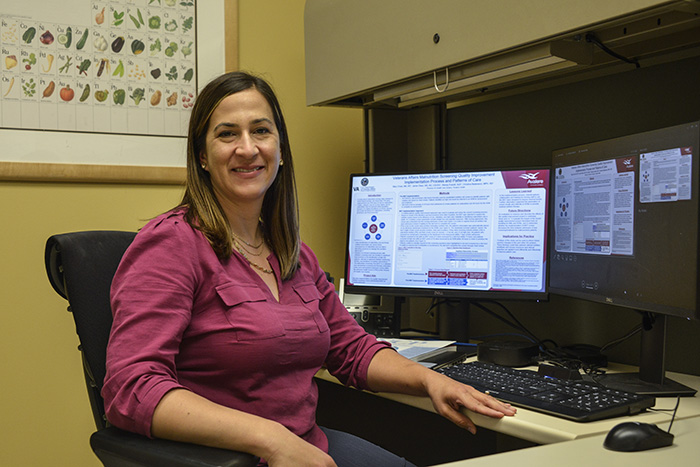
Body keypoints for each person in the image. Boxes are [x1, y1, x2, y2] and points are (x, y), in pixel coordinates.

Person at [102, 71, 516, 467]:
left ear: (280, 150)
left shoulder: (292, 254)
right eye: (227, 133)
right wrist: (271, 438)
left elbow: (351, 349)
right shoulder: (171, 244)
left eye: (261, 131)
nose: (247, 148)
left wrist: (429, 380)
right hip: (231, 459)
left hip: (306, 447)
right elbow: (131, 389)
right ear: (203, 157)